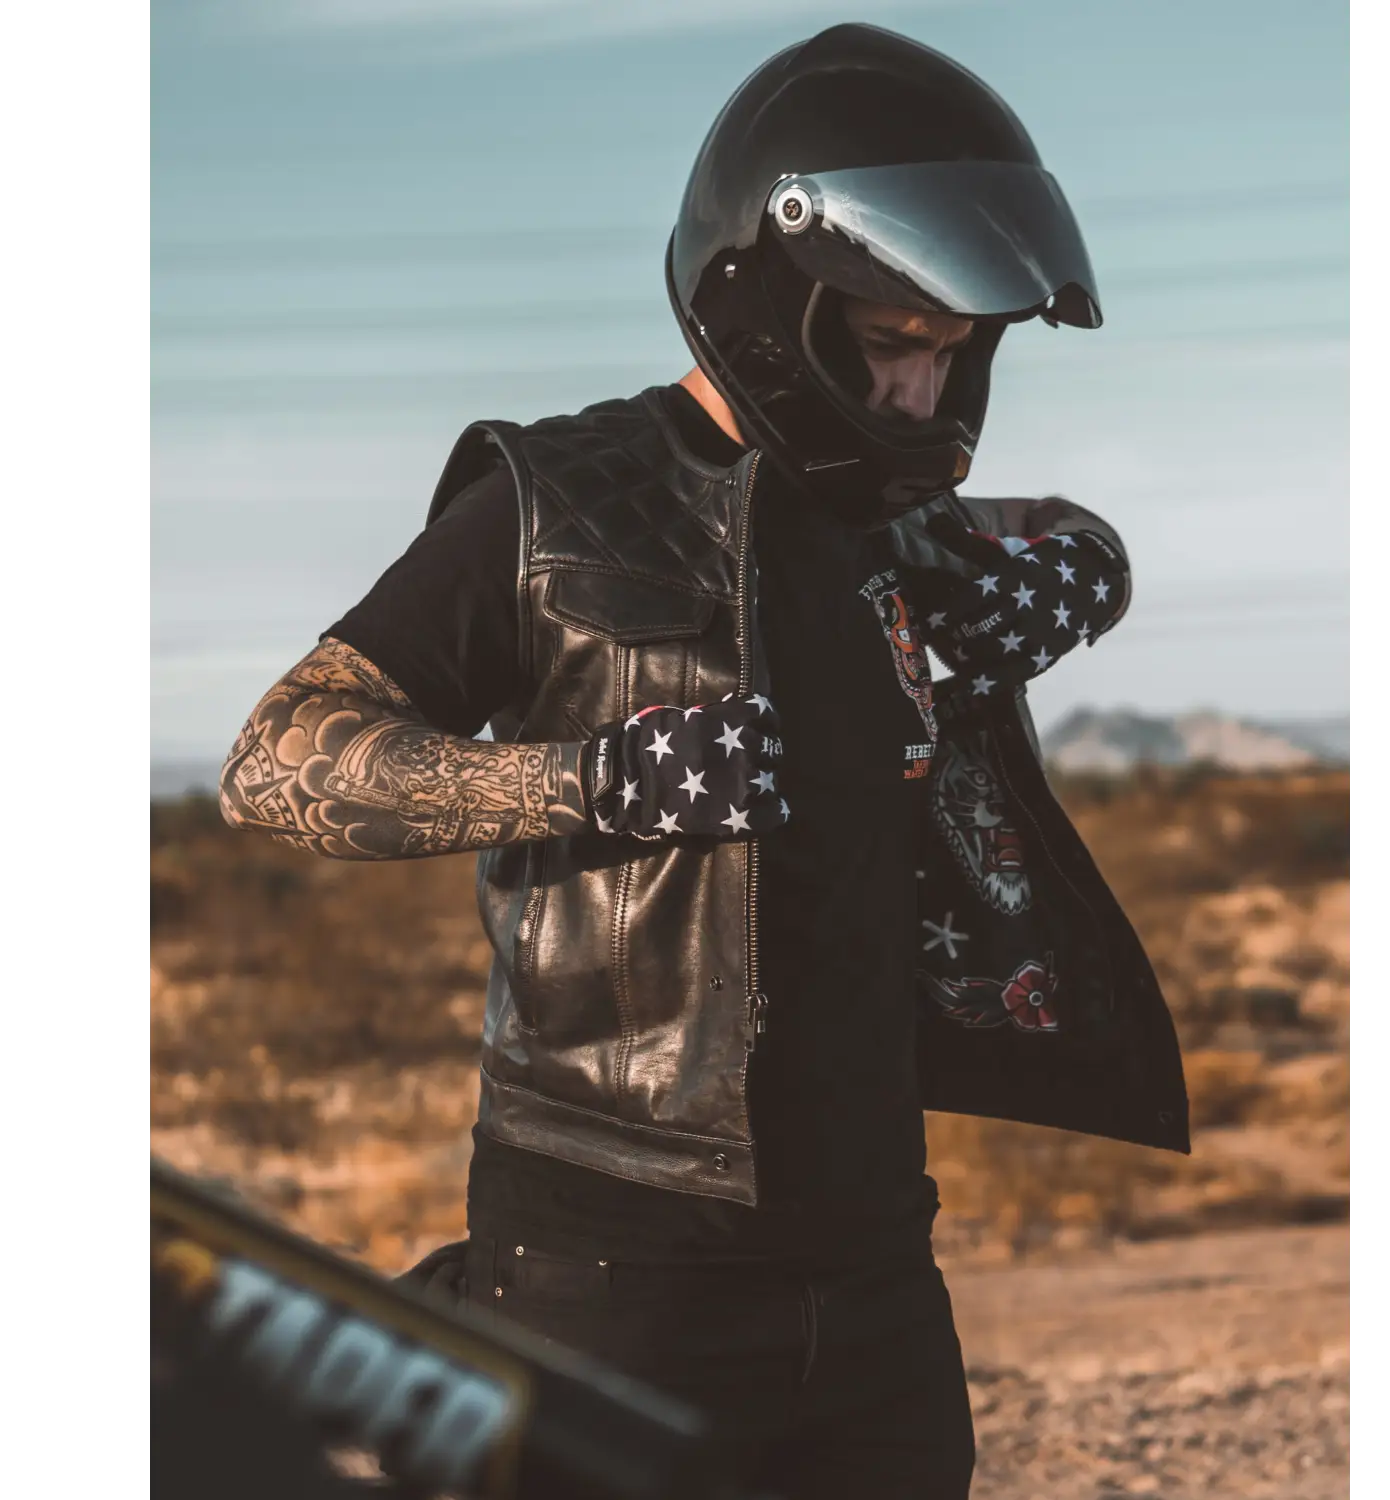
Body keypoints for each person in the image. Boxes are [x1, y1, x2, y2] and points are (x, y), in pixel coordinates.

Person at [219, 23, 1189, 1499]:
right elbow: (280, 758)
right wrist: (589, 781)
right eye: (888, 350)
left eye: (951, 356)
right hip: (611, 1272)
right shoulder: (550, 506)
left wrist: (1084, 571)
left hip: (876, 1267)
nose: (925, 400)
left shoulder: (901, 523)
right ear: (773, 300)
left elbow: (1072, 533)